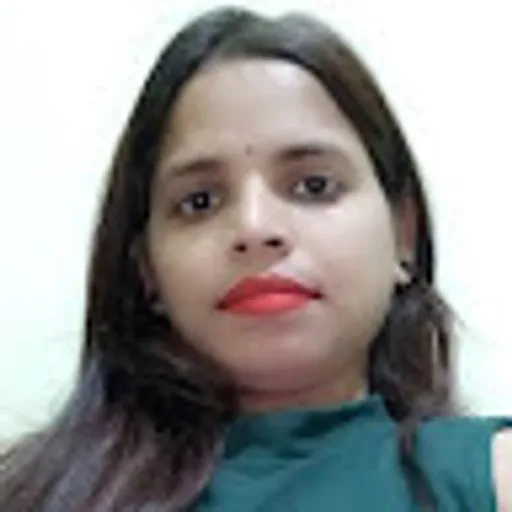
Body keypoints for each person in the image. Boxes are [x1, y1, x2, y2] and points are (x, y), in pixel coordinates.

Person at [1, 6, 511, 511]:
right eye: (200, 201)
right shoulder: (31, 495)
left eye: (314, 186)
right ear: (146, 269)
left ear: (403, 235)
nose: (254, 228)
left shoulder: (492, 476)